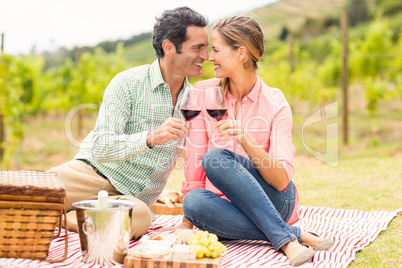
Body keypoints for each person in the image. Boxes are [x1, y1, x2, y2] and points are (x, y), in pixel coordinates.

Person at [176, 16, 334, 266]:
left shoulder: (275, 103)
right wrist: (185, 225)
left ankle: (284, 239)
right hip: (224, 209)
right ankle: (293, 236)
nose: (209, 57)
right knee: (193, 203)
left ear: (241, 54)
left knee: (216, 157)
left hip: (276, 201)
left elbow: (282, 181)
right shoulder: (203, 94)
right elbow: (194, 161)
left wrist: (247, 140)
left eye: (215, 50)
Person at [50, 6, 209, 240]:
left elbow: (198, 161)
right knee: (27, 194)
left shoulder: (195, 101)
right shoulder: (127, 83)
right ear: (169, 47)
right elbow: (101, 147)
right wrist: (150, 137)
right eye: (197, 47)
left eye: (205, 48)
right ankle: (76, 215)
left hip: (130, 200)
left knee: (139, 219)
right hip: (89, 174)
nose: (205, 56)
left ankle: (62, 218)